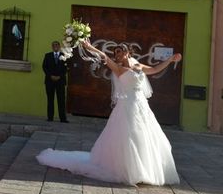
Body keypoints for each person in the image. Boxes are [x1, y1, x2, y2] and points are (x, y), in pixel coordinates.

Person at [36, 41, 181, 186]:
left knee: (146, 136)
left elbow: (155, 69)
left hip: (141, 106)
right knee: (128, 136)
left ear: (127, 52)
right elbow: (102, 54)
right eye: (116, 52)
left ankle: (145, 170)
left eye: (120, 51)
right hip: (127, 106)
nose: (118, 54)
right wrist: (89, 46)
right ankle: (131, 171)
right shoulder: (118, 68)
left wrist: (170, 60)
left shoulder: (138, 65)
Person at [42, 41, 68, 123]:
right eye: (54, 45)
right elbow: (44, 67)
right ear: (52, 47)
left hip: (60, 81)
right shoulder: (47, 56)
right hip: (50, 81)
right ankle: (50, 117)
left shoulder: (64, 56)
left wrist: (59, 76)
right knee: (50, 99)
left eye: (57, 45)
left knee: (61, 100)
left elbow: (66, 68)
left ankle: (63, 118)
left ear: (59, 46)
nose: (55, 46)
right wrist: (51, 76)